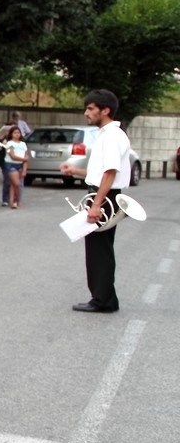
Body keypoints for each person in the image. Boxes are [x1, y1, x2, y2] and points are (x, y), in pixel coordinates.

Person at [61, 89, 131, 314]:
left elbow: (110, 173)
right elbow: (100, 172)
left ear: (105, 110)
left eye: (91, 108)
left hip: (105, 197)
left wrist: (97, 204)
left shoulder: (111, 136)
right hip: (103, 194)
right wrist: (75, 170)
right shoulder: (107, 134)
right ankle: (105, 297)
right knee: (99, 249)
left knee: (99, 251)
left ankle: (103, 300)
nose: (86, 113)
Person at [2, 126, 29, 209]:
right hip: (11, 164)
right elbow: (13, 156)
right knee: (16, 183)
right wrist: (24, 159)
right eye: (15, 133)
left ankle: (13, 201)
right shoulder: (9, 144)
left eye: (18, 133)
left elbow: (26, 157)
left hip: (20, 165)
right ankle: (16, 199)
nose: (17, 135)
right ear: (11, 134)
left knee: (15, 185)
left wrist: (24, 169)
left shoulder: (23, 144)